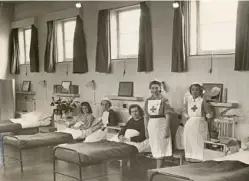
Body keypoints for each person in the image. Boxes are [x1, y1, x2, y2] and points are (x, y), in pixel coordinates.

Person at [144, 79, 174, 162]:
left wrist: (167, 129)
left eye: (156, 88)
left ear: (160, 88)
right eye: (152, 88)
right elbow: (146, 116)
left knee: (161, 148)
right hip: (151, 125)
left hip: (161, 125)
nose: (154, 90)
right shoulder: (148, 100)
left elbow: (168, 115)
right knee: (155, 148)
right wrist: (146, 130)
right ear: (150, 89)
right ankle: (157, 170)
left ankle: (159, 170)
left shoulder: (164, 100)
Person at [183, 82, 213, 162]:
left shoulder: (203, 101)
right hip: (190, 126)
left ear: (200, 91)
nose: (194, 91)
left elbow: (209, 115)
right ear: (190, 91)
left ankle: (200, 162)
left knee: (200, 144)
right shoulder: (188, 101)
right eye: (193, 89)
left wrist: (209, 127)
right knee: (190, 144)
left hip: (200, 125)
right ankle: (190, 160)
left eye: (197, 90)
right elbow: (186, 114)